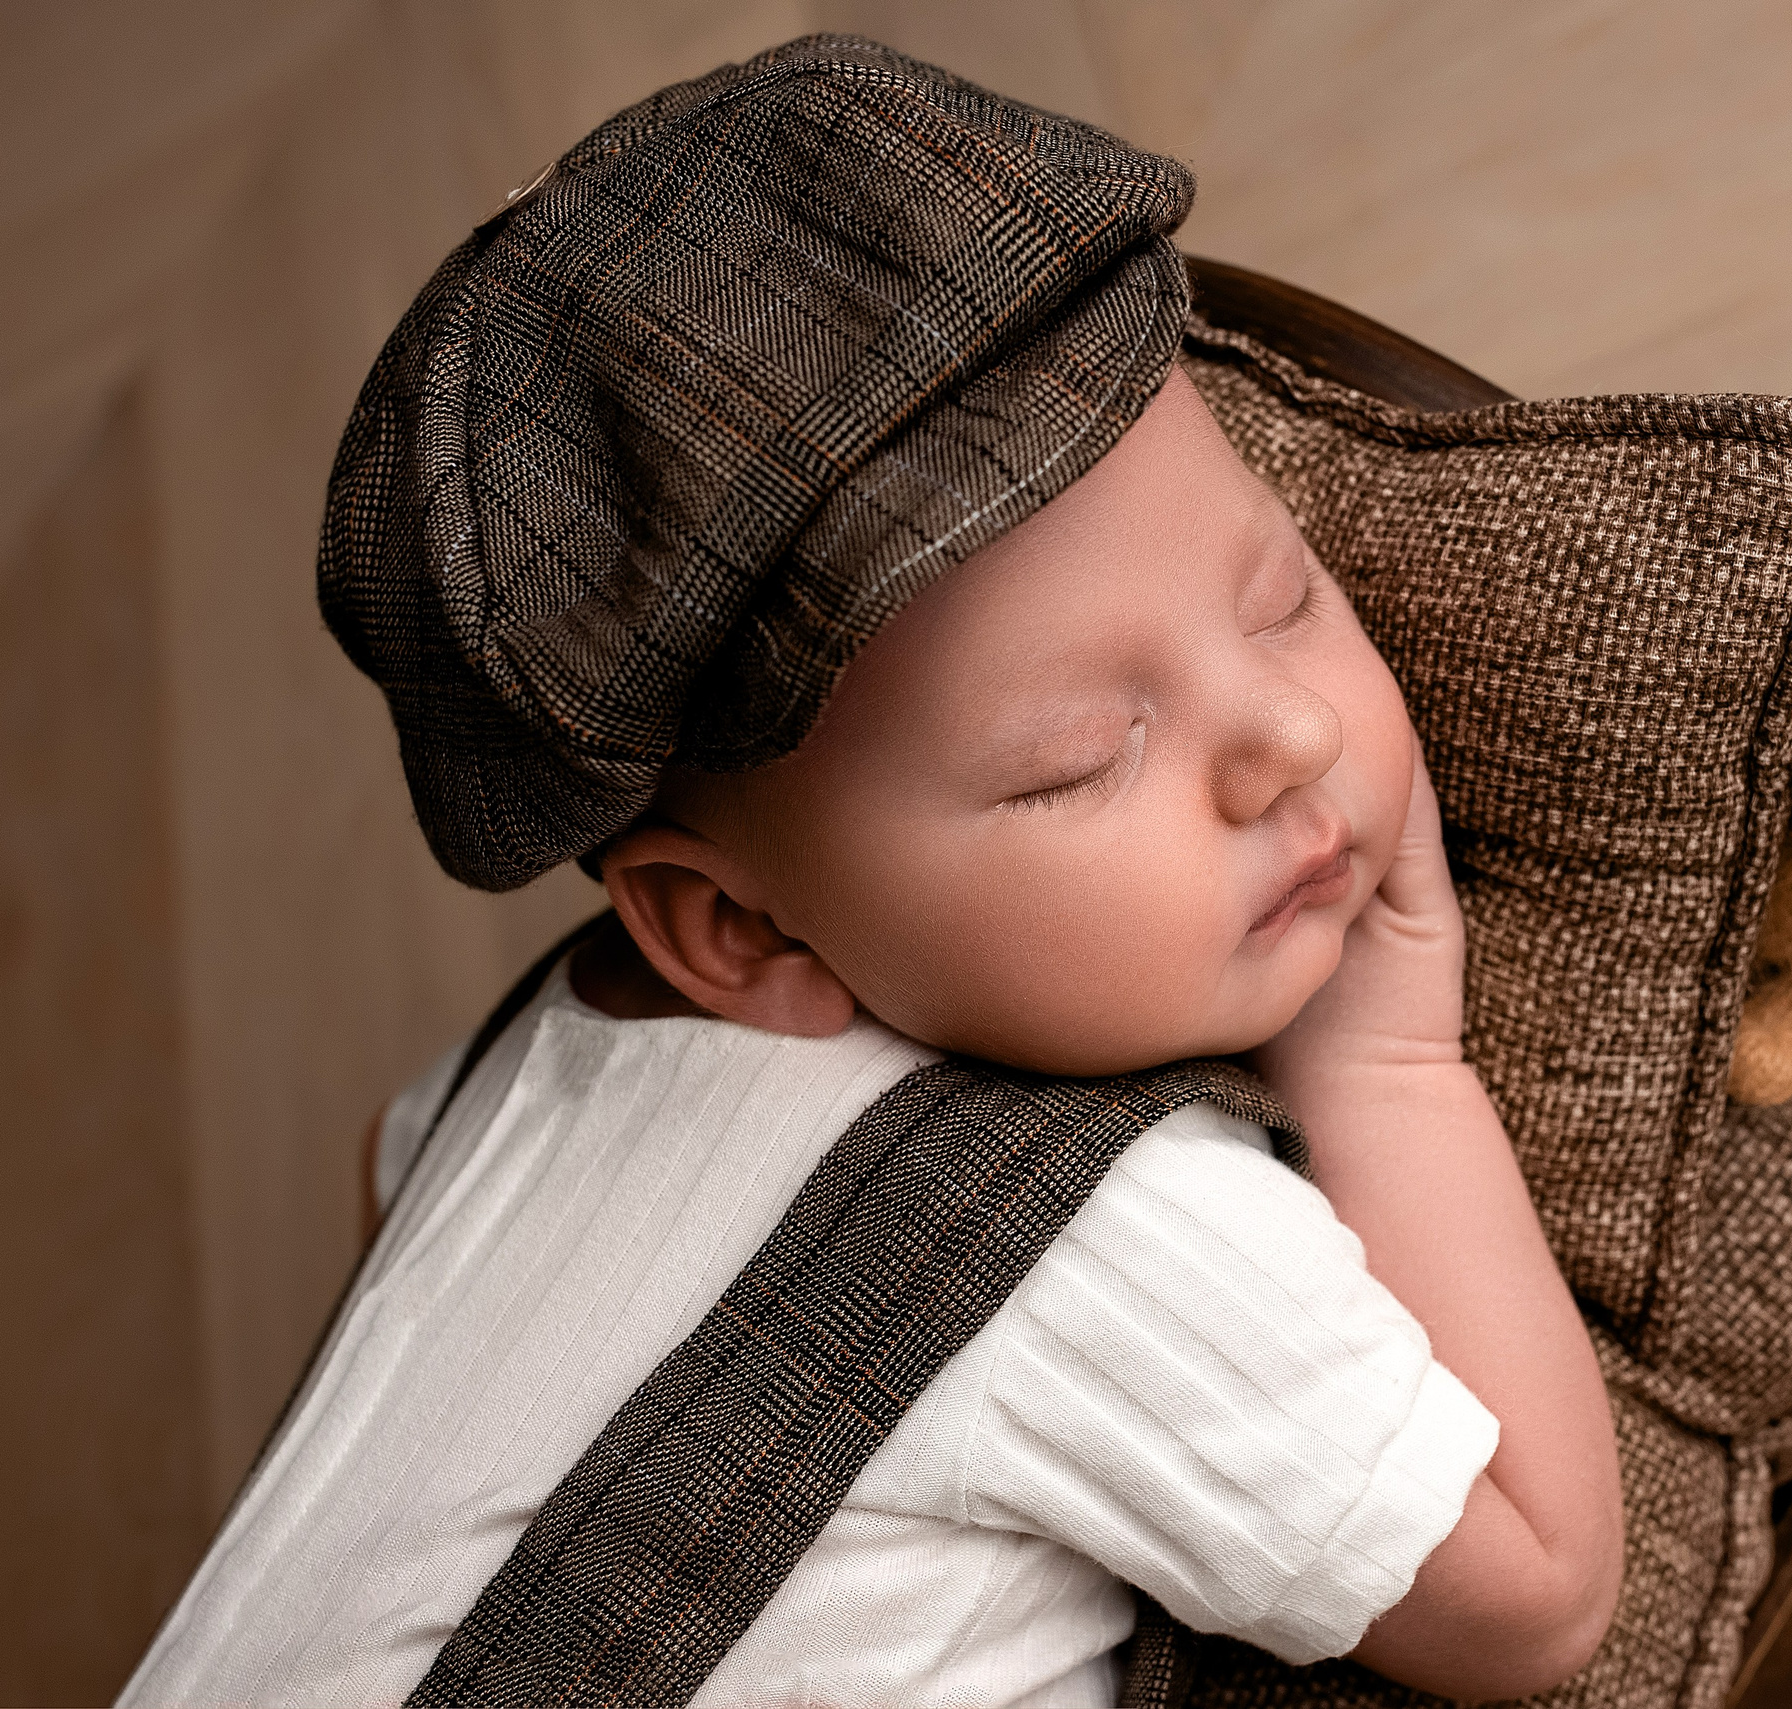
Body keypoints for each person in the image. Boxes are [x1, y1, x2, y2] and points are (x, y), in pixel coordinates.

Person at [120, 37, 1618, 1709]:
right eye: (1076, 757)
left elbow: (393, 1167)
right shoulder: (1086, 1239)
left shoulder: (526, 1063)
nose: (1280, 735)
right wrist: (1388, 1061)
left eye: (1281, 596)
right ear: (735, 925)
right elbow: (1540, 1594)